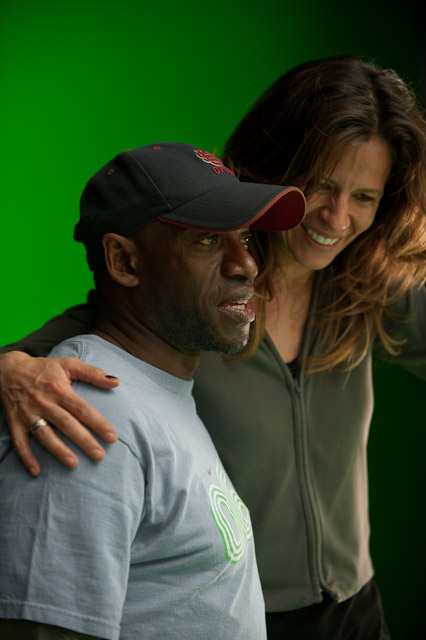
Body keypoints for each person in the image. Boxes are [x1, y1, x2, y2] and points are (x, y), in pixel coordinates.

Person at [2, 55, 426, 639]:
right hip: (245, 612)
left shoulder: (369, 290)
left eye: (365, 197)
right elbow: (89, 336)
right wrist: (9, 370)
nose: (336, 217)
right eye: (322, 186)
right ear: (276, 168)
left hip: (355, 609)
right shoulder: (194, 303)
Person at [0, 142, 306, 640]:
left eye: (245, 237)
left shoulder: (157, 389)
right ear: (124, 261)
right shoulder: (86, 415)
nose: (246, 264)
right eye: (207, 240)